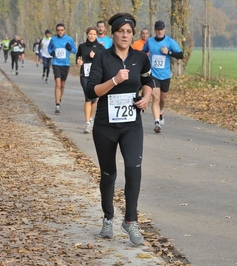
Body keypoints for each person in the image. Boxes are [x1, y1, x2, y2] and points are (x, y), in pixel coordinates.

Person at [86, 12, 153, 246]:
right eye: (120, 31)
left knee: (134, 169)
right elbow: (91, 92)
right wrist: (114, 80)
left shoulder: (140, 57)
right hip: (105, 126)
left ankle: (130, 221)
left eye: (128, 31)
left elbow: (148, 82)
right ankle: (108, 217)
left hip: (131, 125)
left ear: (133, 34)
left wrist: (146, 98)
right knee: (108, 174)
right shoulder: (102, 58)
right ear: (113, 34)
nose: (125, 35)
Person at [142, 20, 183, 133]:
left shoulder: (170, 42)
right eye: (158, 29)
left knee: (163, 99)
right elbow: (143, 51)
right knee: (156, 98)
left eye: (161, 29)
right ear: (155, 30)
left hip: (165, 75)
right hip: (153, 74)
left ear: (164, 29)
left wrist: (168, 52)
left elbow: (181, 55)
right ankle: (156, 122)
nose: (159, 31)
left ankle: (161, 111)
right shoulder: (150, 42)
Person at [76, 26, 104, 133]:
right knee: (88, 97)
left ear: (97, 35)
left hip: (96, 76)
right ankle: (87, 122)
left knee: (94, 99)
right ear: (87, 34)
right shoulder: (82, 46)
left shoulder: (100, 48)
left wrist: (95, 56)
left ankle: (91, 118)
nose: (92, 36)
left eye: (94, 34)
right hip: (85, 74)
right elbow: (78, 56)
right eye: (90, 34)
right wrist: (78, 61)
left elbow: (104, 60)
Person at [47, 23, 77, 114]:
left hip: (65, 64)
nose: (60, 32)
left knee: (63, 84)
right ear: (56, 31)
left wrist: (70, 48)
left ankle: (59, 99)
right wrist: (51, 53)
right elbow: (49, 49)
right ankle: (57, 104)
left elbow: (75, 50)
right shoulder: (53, 39)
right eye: (58, 30)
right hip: (56, 63)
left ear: (64, 30)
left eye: (61, 30)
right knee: (58, 83)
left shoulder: (69, 39)